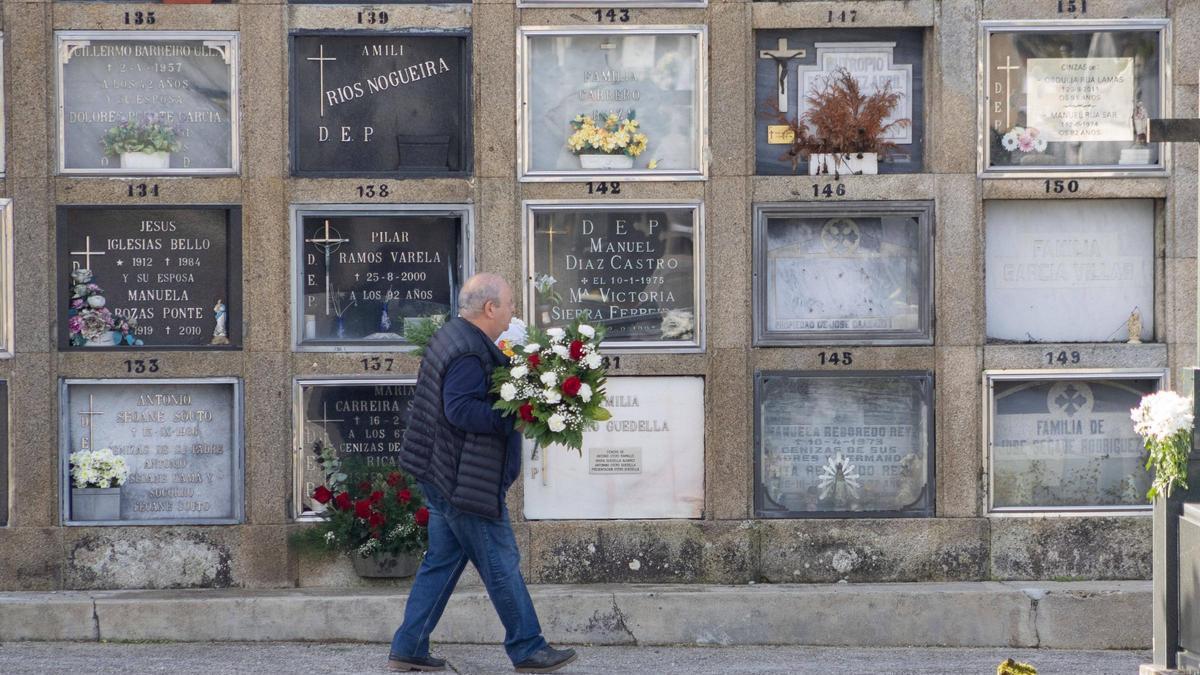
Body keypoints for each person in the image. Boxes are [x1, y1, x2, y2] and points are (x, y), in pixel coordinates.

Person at [390, 273, 577, 673]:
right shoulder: (469, 353)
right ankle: (528, 647)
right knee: (500, 561)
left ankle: (409, 646)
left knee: (442, 561)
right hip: (465, 480)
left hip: (440, 471)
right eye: (509, 305)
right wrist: (517, 415)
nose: (513, 314)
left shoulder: (454, 335)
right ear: (490, 308)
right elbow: (459, 409)